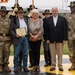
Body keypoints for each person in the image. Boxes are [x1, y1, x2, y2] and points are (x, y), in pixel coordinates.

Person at [10, 7, 29, 72]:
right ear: (17, 13)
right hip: (18, 38)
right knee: (16, 53)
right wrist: (15, 35)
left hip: (25, 37)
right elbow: (11, 30)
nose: (21, 14)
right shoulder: (14, 20)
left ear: (23, 13)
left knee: (25, 53)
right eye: (19, 13)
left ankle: (25, 66)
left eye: (22, 12)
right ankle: (15, 67)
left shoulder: (26, 19)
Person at [0, 6, 11, 72]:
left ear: (6, 13)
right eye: (2, 11)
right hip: (0, 38)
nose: (3, 13)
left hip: (7, 39)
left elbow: (11, 30)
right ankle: (0, 65)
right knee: (0, 53)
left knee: (7, 52)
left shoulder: (9, 20)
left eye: (4, 11)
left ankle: (6, 65)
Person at [66, 1, 75, 71]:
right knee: (71, 52)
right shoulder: (67, 16)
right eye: (71, 7)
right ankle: (73, 64)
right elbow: (65, 27)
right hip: (70, 37)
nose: (72, 8)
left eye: (73, 7)